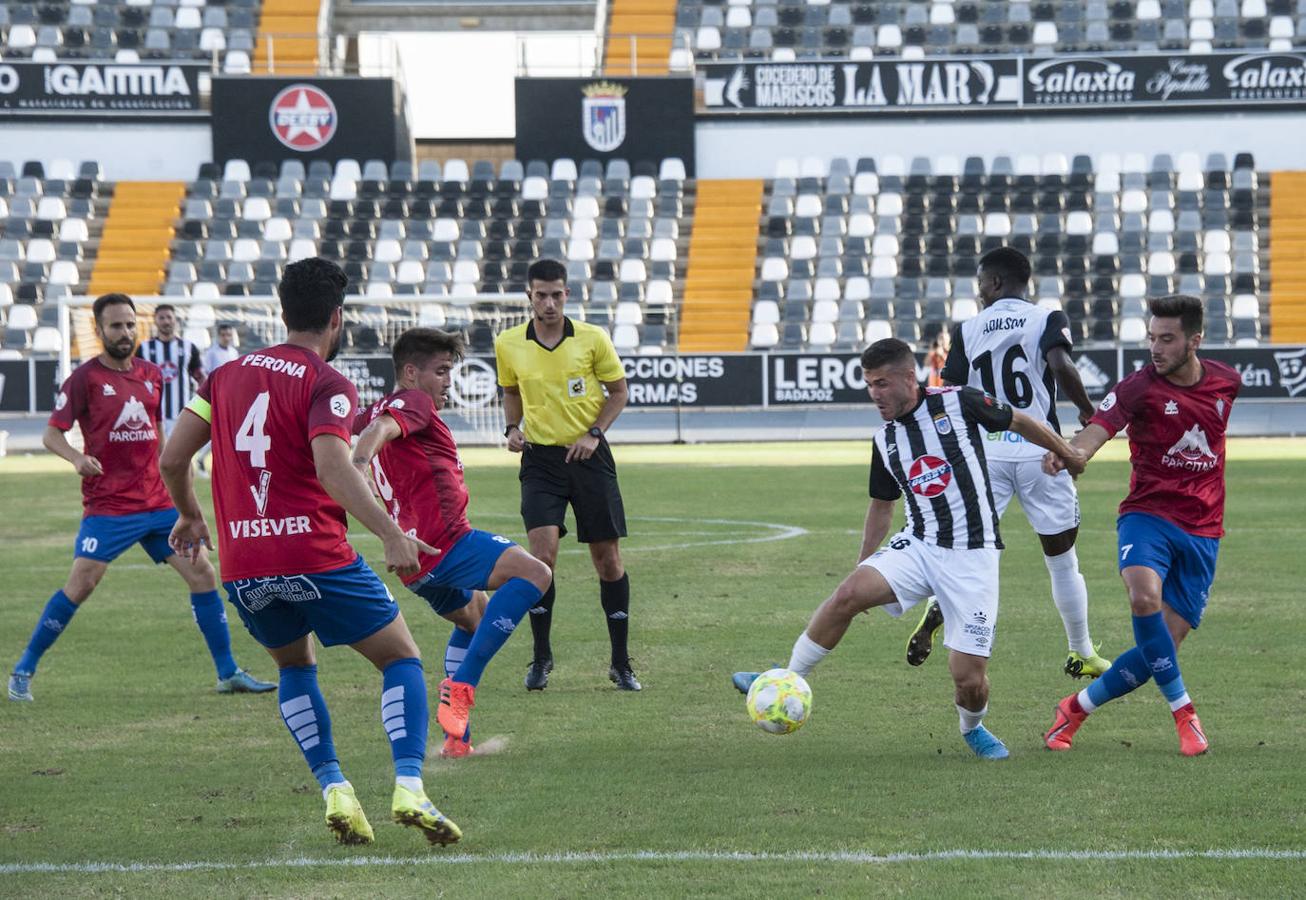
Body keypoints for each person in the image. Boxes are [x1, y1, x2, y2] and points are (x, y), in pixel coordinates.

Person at [159, 258, 461, 846]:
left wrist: (191, 515)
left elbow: (172, 460)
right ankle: (409, 785)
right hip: (316, 555)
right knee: (401, 658)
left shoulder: (222, 377)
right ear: (336, 319)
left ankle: (334, 788)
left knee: (295, 667)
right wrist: (390, 532)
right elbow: (333, 467)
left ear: (281, 311)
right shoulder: (327, 383)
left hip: (246, 563)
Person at [733, 338, 1086, 760]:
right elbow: (881, 506)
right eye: (868, 385)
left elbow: (1020, 421)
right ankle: (784, 678)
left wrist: (1067, 452)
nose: (874, 394)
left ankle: (972, 728)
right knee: (846, 595)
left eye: (882, 383)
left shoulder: (960, 403)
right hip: (919, 543)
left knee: (968, 679)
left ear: (907, 377)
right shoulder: (884, 439)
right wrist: (864, 563)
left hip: (973, 555)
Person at [7, 293, 272, 703]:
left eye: (130, 324)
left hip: (157, 503)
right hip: (109, 507)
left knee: (203, 574)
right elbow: (50, 433)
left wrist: (175, 481)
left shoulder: (152, 374)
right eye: (116, 326)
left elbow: (159, 434)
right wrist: (77, 458)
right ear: (99, 331)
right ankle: (23, 669)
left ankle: (227, 672)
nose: (125, 332)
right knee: (82, 584)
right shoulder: (85, 379)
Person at [1042, 295, 1239, 757]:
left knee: (1160, 651)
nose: (1156, 348)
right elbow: (1095, 431)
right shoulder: (1137, 388)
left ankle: (1074, 708)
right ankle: (1184, 713)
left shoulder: (1227, 383)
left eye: (1166, 339)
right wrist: (1070, 454)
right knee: (1143, 595)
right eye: (1151, 337)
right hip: (1147, 516)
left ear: (1195, 340)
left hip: (1204, 530)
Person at [907, 247, 1111, 679]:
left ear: (995, 282)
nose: (978, 291)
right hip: (1042, 453)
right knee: (1062, 559)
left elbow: (954, 391)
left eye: (980, 282)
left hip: (987, 457)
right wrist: (1088, 411)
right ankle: (1081, 651)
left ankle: (935, 614)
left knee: (966, 552)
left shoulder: (968, 329)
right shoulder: (1047, 319)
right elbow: (1062, 364)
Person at [351, 327, 552, 759]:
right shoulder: (412, 401)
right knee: (536, 573)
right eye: (441, 371)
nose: (448, 381)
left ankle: (456, 742)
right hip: (446, 543)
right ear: (410, 372)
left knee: (474, 621)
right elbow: (379, 432)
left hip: (416, 561)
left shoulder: (375, 408)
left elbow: (359, 424)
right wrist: (359, 462)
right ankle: (463, 687)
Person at [494, 258, 640, 692]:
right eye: (541, 294)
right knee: (542, 560)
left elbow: (619, 392)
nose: (550, 302)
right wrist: (512, 428)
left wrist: (594, 433)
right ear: (529, 296)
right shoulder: (508, 343)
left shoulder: (593, 338)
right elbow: (511, 391)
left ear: (567, 295)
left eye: (557, 294)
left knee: (607, 561)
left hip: (589, 459)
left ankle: (620, 663)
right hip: (540, 462)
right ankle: (541, 658)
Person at [136, 303, 203, 439]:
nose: (166, 321)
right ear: (155, 321)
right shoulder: (144, 348)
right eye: (161, 318)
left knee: (181, 458)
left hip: (182, 413)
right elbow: (136, 380)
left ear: (175, 320)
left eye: (169, 317)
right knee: (155, 457)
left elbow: (200, 377)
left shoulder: (189, 348)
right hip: (153, 414)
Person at [197, 324, 240, 476]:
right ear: (218, 336)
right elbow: (206, 375)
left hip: (230, 398)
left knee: (227, 432)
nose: (226, 338)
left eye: (229, 335)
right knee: (216, 431)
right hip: (216, 397)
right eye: (223, 335)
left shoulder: (234, 352)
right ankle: (203, 460)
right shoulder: (211, 353)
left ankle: (211, 461)